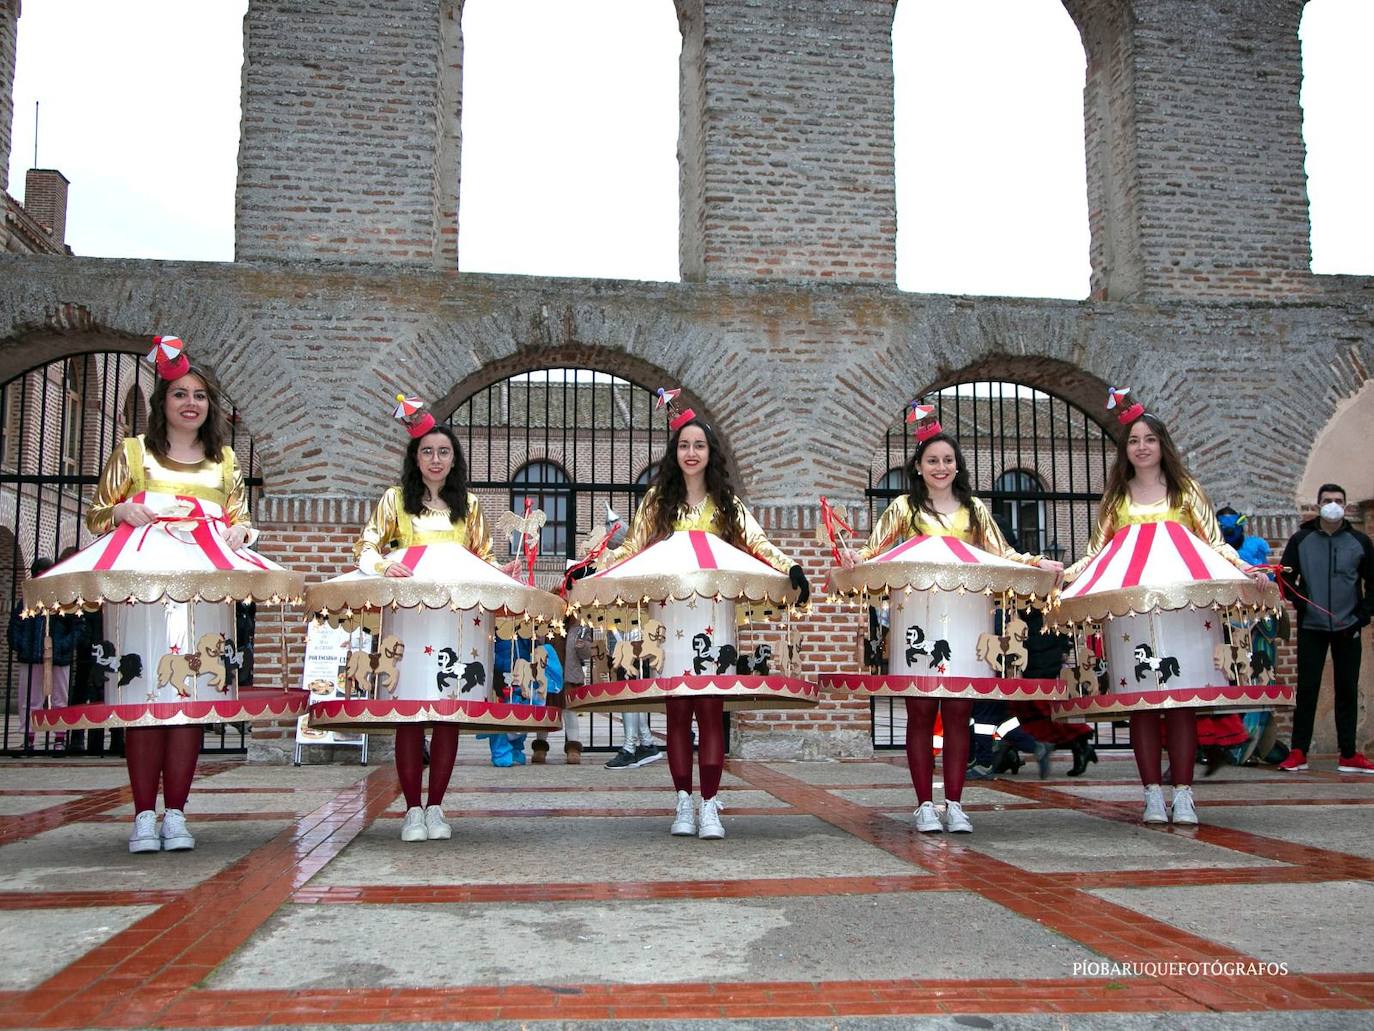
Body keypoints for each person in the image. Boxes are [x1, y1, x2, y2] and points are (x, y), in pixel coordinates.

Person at [81, 342, 266, 852]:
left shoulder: (225, 461)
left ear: (210, 406)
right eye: (181, 394)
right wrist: (120, 513)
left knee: (190, 705)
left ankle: (177, 814)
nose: (191, 403)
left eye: (200, 396)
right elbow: (96, 514)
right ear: (162, 401)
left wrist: (240, 535)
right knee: (144, 702)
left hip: (204, 595)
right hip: (141, 595)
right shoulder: (133, 453)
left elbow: (241, 519)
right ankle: (143, 815)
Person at [840, 418, 1061, 833]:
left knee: (960, 715)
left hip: (968, 623)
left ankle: (955, 803)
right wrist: (854, 558)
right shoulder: (903, 509)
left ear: (957, 466)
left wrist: (1037, 563)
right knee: (920, 716)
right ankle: (924, 803)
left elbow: (1004, 554)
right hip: (915, 621)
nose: (940, 467)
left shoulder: (975, 511)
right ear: (919, 467)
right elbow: (874, 552)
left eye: (947, 460)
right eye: (932, 460)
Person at [597, 413, 809, 839]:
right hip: (669, 618)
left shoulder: (728, 505)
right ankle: (682, 802)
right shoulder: (658, 502)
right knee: (677, 712)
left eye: (699, 446)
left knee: (711, 712)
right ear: (674, 454)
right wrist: (594, 570)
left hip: (716, 616)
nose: (690, 453)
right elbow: (633, 550)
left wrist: (791, 568)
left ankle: (709, 805)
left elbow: (758, 545)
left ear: (710, 454)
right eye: (683, 446)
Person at [1062, 401, 1269, 824]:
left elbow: (1213, 543)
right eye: (1134, 441)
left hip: (1185, 609)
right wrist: (1061, 575)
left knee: (1182, 704)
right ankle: (1152, 793)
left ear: (1163, 446)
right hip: (1131, 611)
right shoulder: (1116, 497)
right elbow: (1097, 554)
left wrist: (1248, 569)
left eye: (1149, 440)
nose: (1141, 447)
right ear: (1126, 450)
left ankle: (1184, 793)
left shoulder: (1186, 491)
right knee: (1140, 704)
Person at [354, 421, 510, 838]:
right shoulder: (394, 502)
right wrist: (385, 564)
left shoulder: (470, 507)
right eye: (427, 452)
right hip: (408, 618)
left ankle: (436, 807)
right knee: (409, 715)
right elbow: (365, 546)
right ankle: (411, 809)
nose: (435, 460)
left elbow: (484, 560)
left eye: (443, 452)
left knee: (448, 716)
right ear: (415, 458)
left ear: (454, 459)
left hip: (458, 621)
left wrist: (503, 574)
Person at [1277, 483, 1374, 773]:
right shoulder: (1301, 540)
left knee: (1347, 688)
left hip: (1349, 626)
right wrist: (1304, 605)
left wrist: (1362, 616)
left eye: (1339, 500)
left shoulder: (1360, 542)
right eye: (1328, 500)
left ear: (1346, 506)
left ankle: (1348, 754)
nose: (1333, 504)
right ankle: (1298, 751)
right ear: (1318, 505)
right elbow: (1285, 579)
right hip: (1312, 626)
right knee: (1307, 688)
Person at [8, 557, 77, 751]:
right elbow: (15, 628)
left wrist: (62, 645)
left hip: (59, 658)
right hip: (31, 658)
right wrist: (24, 646)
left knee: (59, 699)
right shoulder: (27, 601)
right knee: (29, 699)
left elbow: (79, 628)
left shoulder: (64, 601)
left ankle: (59, 738)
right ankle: (28, 738)